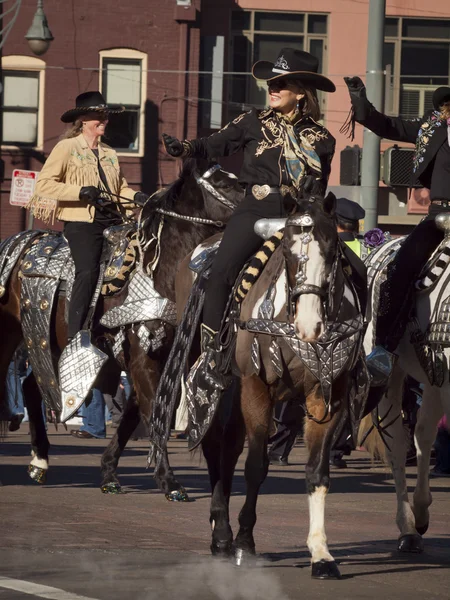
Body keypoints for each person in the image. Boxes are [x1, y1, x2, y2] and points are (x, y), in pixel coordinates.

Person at [163, 48, 336, 385]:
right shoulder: (251, 121)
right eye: (271, 82)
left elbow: (316, 192)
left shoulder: (322, 140)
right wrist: (184, 148)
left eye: (281, 83)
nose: (272, 88)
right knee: (222, 273)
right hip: (253, 211)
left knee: (328, 273)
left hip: (295, 219)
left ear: (301, 92)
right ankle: (212, 357)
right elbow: (215, 144)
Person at [343, 77, 450, 382]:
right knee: (400, 269)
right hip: (439, 216)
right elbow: (384, 125)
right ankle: (384, 350)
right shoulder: (432, 128)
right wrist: (359, 98)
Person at [27, 91, 149, 342]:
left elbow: (120, 189)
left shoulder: (109, 153)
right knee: (88, 269)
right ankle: (77, 334)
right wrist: (80, 192)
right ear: (83, 120)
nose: (104, 120)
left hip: (114, 221)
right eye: (98, 116)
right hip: (83, 223)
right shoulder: (67, 148)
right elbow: (44, 185)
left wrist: (136, 197)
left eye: (105, 116)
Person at [268, 197, 369, 468]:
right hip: (336, 333)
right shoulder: (358, 247)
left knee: (298, 392)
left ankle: (280, 449)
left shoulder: (335, 242)